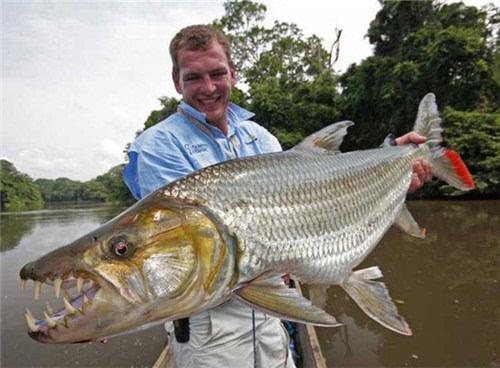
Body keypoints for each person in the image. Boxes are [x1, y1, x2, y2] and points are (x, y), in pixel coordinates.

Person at [123, 24, 431, 368]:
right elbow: (182, 254)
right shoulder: (158, 146)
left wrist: (393, 163)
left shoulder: (261, 137)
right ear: (177, 81)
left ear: (233, 74)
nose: (208, 88)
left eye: (217, 74)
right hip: (209, 331)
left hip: (271, 314)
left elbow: (313, 197)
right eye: (194, 77)